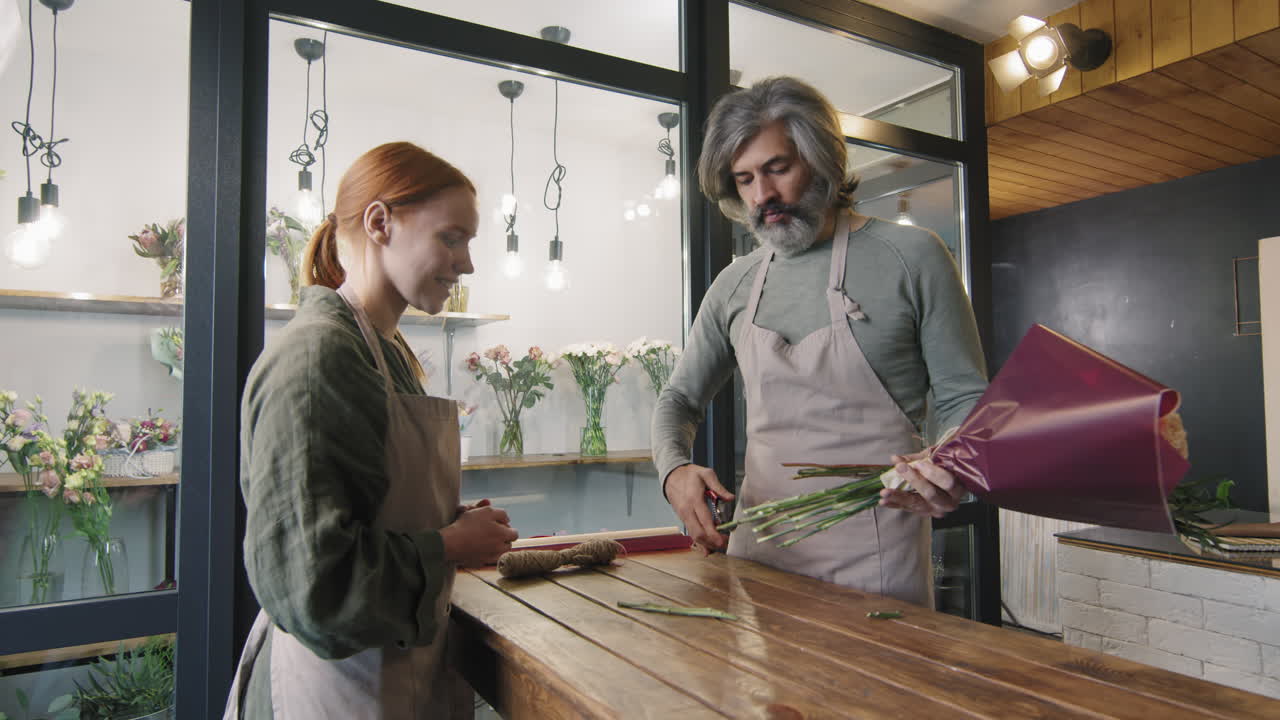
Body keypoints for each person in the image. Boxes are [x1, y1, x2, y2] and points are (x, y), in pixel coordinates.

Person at [652, 77, 987, 606]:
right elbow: (679, 401)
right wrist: (674, 470)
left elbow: (965, 397)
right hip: (758, 556)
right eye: (743, 180)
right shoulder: (734, 284)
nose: (762, 196)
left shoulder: (914, 256)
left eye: (777, 169)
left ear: (821, 158)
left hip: (877, 559)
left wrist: (953, 466)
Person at [224, 142, 519, 719]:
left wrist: (447, 525)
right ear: (380, 223)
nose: (467, 263)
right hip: (329, 693)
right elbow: (319, 588)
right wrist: (452, 545)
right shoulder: (319, 359)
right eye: (452, 237)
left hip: (390, 684)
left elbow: (373, 512)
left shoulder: (387, 352)